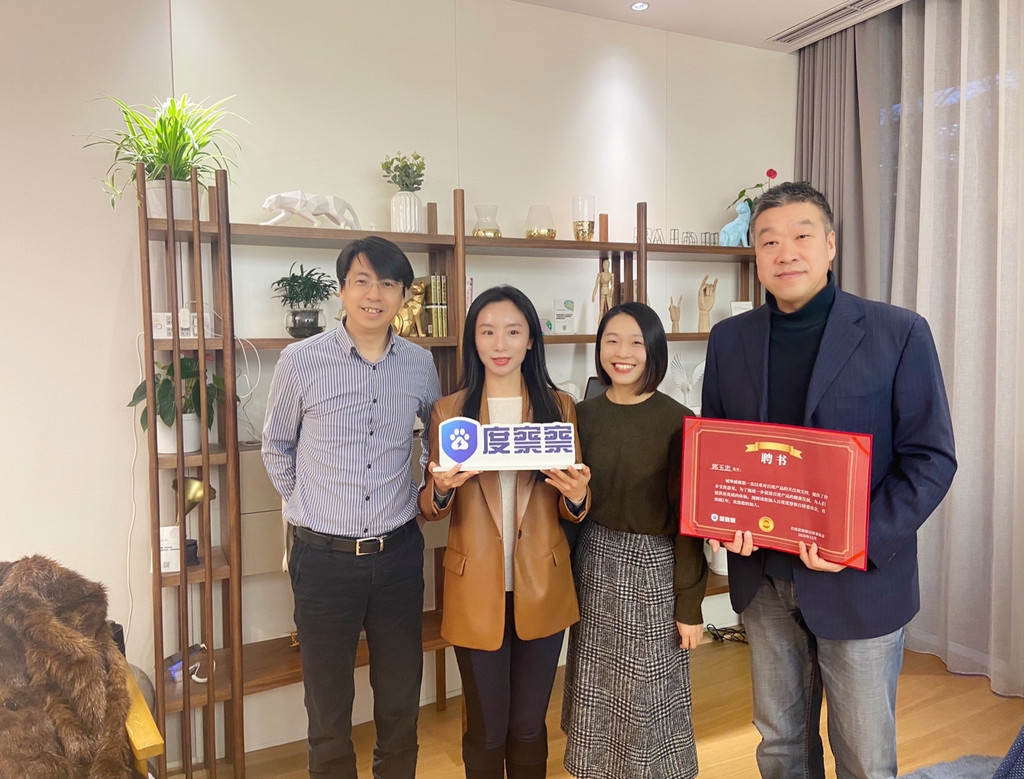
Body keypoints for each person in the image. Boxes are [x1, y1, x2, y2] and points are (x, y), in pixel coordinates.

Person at [702, 181, 957, 779]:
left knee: (864, 757)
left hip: (858, 582)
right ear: (755, 254)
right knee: (780, 747)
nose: (785, 252)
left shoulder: (898, 332)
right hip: (764, 579)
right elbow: (718, 449)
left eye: (801, 235)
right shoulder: (729, 338)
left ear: (831, 244)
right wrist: (722, 518)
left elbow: (931, 458)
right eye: (769, 240)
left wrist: (855, 539)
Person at [262, 236, 442, 779]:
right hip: (322, 561)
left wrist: (428, 490)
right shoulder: (300, 361)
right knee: (327, 708)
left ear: (403, 296)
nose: (374, 294)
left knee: (400, 701)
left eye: (388, 283)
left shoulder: (420, 365)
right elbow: (276, 446)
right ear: (341, 290)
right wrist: (304, 505)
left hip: (397, 555)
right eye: (362, 281)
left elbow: (436, 444)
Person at [420, 285, 591, 779]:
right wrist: (441, 489)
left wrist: (577, 495)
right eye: (488, 331)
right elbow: (431, 507)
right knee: (486, 729)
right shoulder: (450, 411)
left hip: (543, 582)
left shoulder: (560, 406)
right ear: (473, 340)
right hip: (475, 586)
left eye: (513, 332)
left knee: (529, 727)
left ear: (531, 339)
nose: (500, 344)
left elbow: (574, 506)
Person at [561, 301, 708, 779]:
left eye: (635, 343)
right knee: (596, 686)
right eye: (611, 341)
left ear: (654, 351)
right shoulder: (580, 415)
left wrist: (690, 605)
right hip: (592, 561)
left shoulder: (679, 420)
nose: (621, 353)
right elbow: (568, 504)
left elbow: (689, 522)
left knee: (649, 693)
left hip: (653, 567)